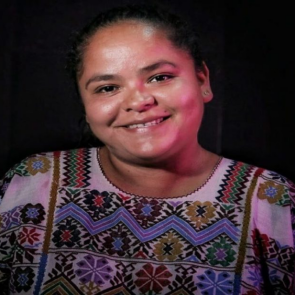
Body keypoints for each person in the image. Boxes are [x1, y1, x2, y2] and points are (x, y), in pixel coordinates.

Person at [0, 4, 294, 295]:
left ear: (202, 81)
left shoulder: (272, 201)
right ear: (85, 106)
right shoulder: (32, 183)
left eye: (160, 77)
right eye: (107, 88)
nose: (138, 101)